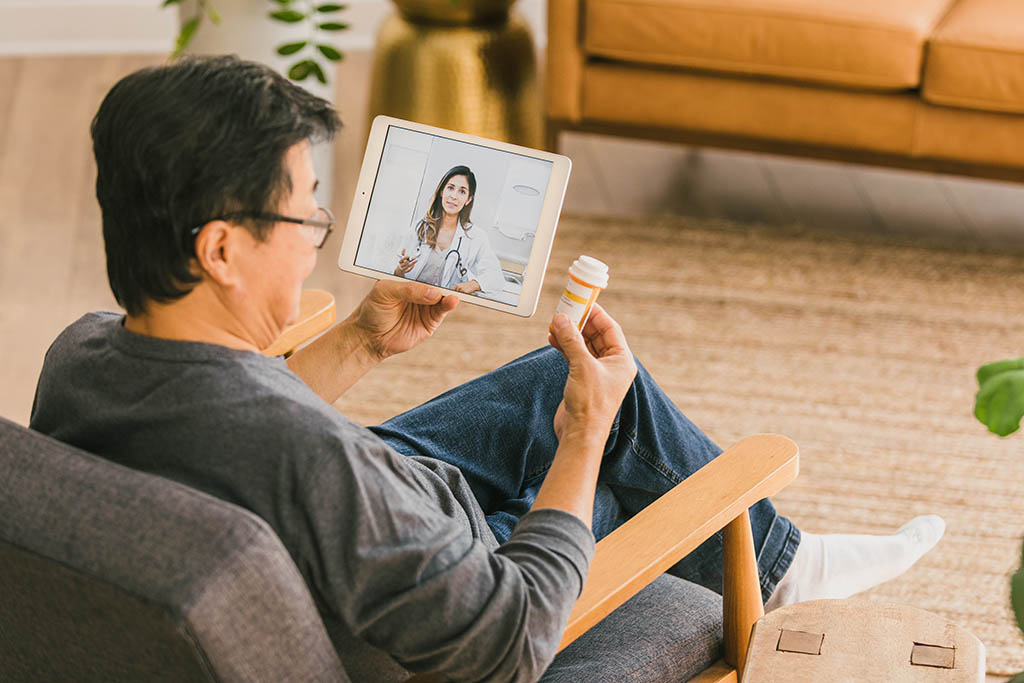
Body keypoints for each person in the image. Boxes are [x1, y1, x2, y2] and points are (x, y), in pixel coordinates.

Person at [30, 55, 946, 682]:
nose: (316, 245)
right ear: (222, 249)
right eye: (305, 219)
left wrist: (360, 339)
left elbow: (224, 428)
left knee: (559, 384)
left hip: (335, 530)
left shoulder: (83, 358)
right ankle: (781, 570)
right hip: (446, 592)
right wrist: (582, 442)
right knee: (611, 439)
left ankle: (782, 557)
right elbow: (508, 643)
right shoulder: (316, 464)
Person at [393, 164, 505, 295]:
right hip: (410, 297)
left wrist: (475, 284)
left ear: (468, 199)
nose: (454, 196)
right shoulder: (420, 226)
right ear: (442, 191)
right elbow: (394, 270)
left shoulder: (476, 237)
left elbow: (496, 278)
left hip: (443, 306)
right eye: (450, 188)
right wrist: (400, 269)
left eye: (462, 191)